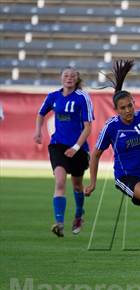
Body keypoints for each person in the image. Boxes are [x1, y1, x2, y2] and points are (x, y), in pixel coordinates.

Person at [84, 59, 140, 257]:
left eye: (130, 105)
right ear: (116, 110)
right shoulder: (112, 126)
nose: (128, 110)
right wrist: (92, 183)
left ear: (134, 103)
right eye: (123, 108)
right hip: (126, 177)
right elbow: (95, 155)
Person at [33, 67, 94, 237]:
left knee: (77, 185)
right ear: (61, 78)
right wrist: (38, 131)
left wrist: (75, 148)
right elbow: (40, 114)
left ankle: (79, 214)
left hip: (78, 148)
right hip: (58, 145)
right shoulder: (53, 96)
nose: (69, 78)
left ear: (77, 79)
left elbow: (88, 128)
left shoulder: (83, 98)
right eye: (66, 75)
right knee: (60, 182)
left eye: (72, 75)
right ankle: (59, 223)